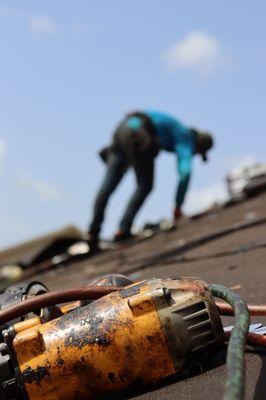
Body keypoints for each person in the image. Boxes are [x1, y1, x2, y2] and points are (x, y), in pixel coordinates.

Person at [88, 110, 214, 251]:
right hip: (139, 135)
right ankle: (124, 229)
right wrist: (178, 206)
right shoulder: (185, 137)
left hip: (122, 130)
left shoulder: (174, 124)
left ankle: (93, 234)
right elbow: (185, 174)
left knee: (108, 186)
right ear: (199, 145)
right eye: (196, 152)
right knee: (145, 185)